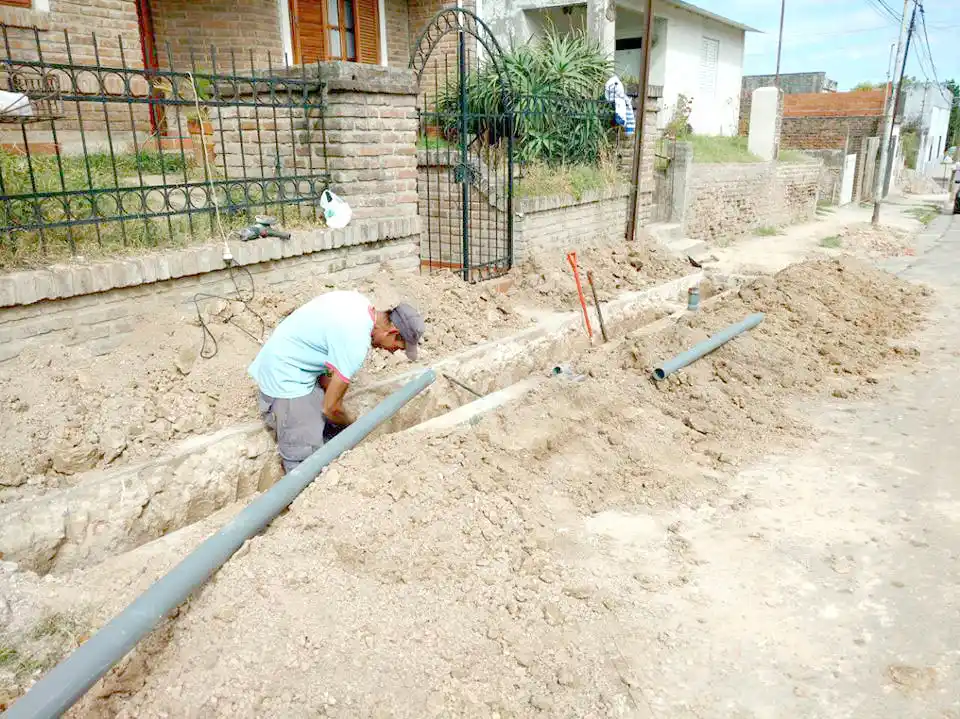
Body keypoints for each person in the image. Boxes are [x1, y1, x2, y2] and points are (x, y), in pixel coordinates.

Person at [248, 290, 425, 471]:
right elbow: (331, 407)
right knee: (304, 459)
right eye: (397, 346)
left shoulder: (359, 303)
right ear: (392, 332)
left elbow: (328, 374)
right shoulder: (356, 341)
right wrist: (350, 425)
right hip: (284, 378)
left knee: (323, 423)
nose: (393, 351)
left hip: (284, 359)